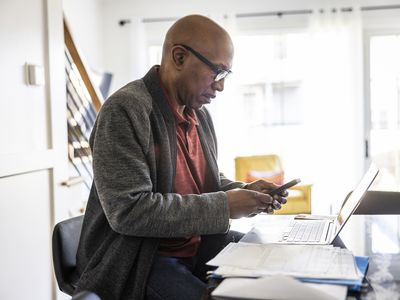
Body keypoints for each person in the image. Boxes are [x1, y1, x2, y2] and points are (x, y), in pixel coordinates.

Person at [75, 14, 287, 300]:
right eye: (217, 72)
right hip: (142, 262)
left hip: (198, 248)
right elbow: (129, 212)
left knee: (280, 267)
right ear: (179, 57)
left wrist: (244, 192)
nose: (221, 86)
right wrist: (225, 206)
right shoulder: (125, 111)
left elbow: (203, 184)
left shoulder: (200, 115)